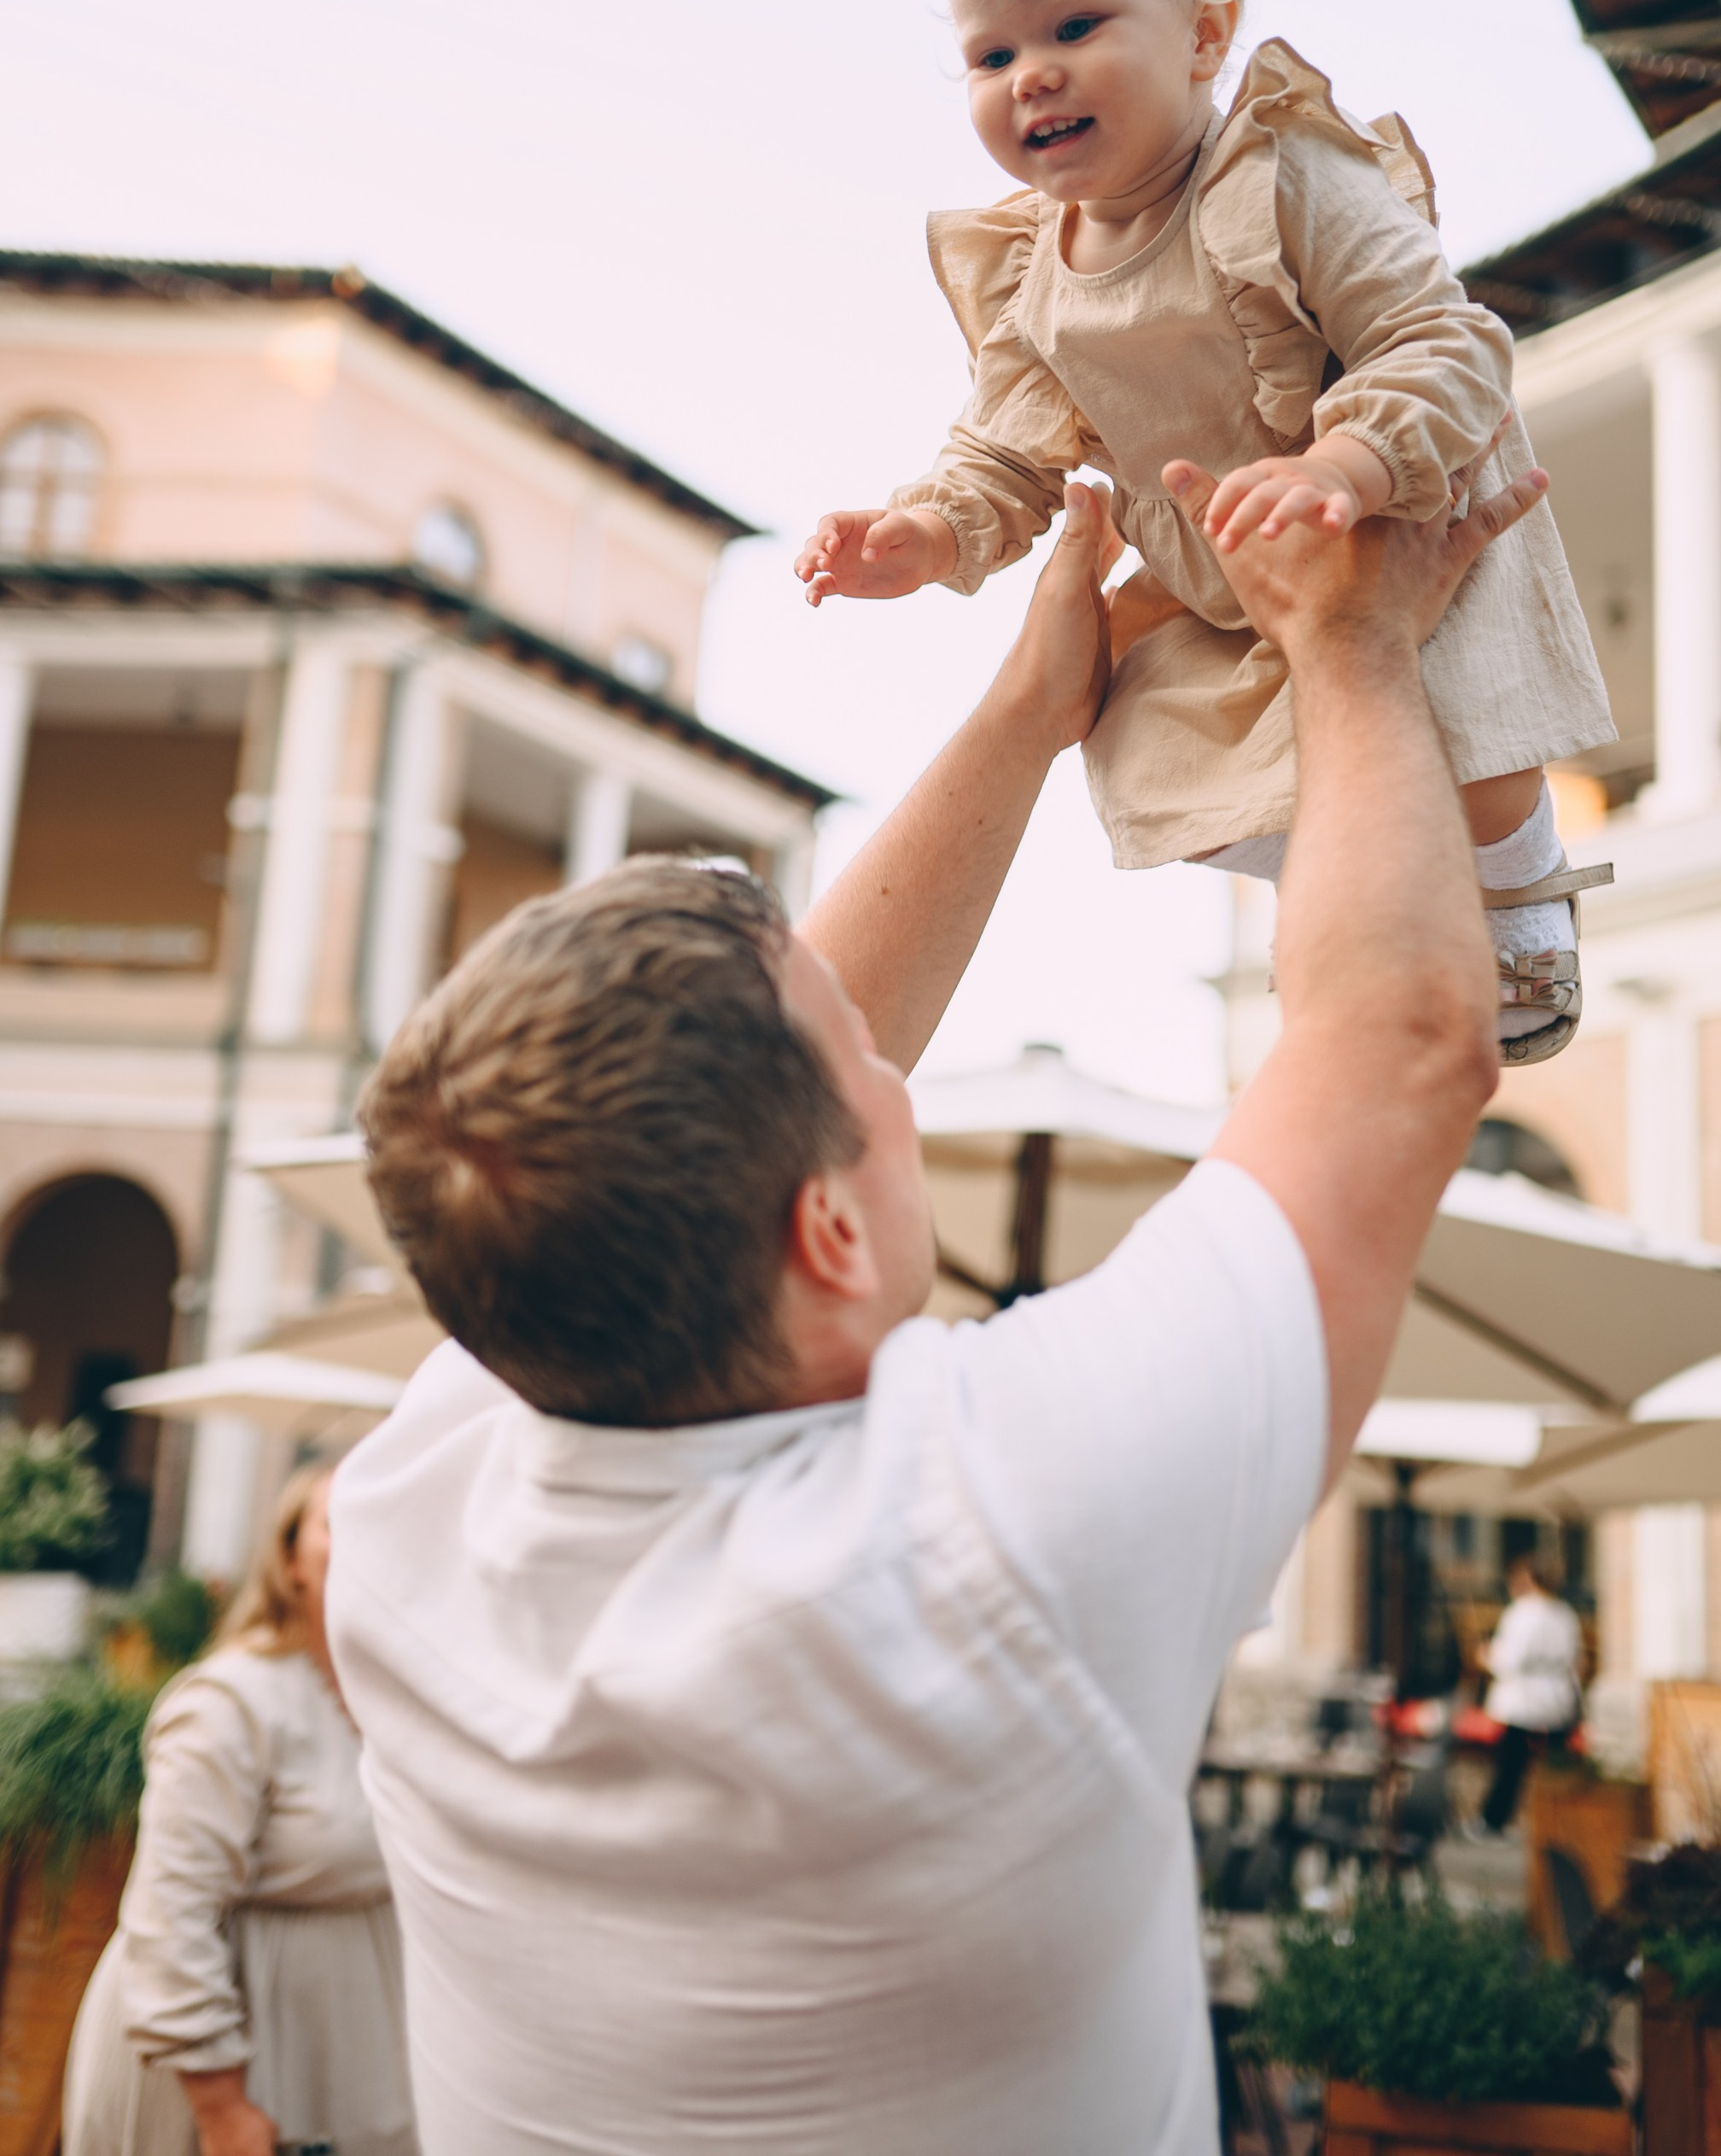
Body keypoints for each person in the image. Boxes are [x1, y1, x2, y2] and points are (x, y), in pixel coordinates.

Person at [328, 459, 1541, 2156]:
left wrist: (1030, 714)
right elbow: (1402, 1042)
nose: (900, 1081)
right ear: (824, 1234)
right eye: (870, 1078)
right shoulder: (1000, 1538)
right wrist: (1357, 646)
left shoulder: (418, 1507)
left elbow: (736, 1093)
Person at [795, 0, 1613, 1064]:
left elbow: (1444, 341)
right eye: (993, 52)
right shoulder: (1031, 271)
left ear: (1205, 34)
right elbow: (1006, 454)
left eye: (1076, 29)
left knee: (1465, 718)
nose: (1033, 75)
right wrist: (924, 534)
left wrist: (1343, 468)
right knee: (1143, 731)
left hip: (1392, 508)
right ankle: (1358, 869)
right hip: (1226, 579)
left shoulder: (1281, 174)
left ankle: (1517, 879)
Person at [64, 1465, 418, 2156]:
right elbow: (170, 1913)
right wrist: (223, 2107)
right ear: (289, 1558)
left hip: (353, 2059)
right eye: (339, 1523)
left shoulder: (395, 1705)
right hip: (231, 2071)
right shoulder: (231, 1702)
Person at [1475, 1553, 1584, 1836]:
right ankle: (1561, 1822)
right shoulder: (1565, 1614)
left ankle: (1494, 1820)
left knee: (1511, 1765)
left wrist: (1486, 1656)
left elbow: (1509, 1661)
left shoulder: (1522, 1613)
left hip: (1524, 1701)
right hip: (1557, 1699)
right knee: (1557, 1768)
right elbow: (1576, 1659)